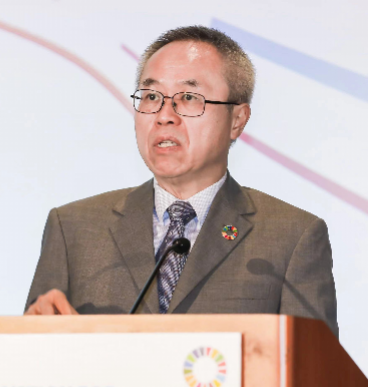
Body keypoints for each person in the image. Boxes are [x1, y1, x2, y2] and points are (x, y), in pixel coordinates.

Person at [25, 26, 338, 337]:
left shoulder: (292, 237)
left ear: (237, 120)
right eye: (151, 96)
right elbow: (29, 360)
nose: (164, 116)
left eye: (188, 97)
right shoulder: (73, 229)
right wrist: (27, 340)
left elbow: (314, 365)